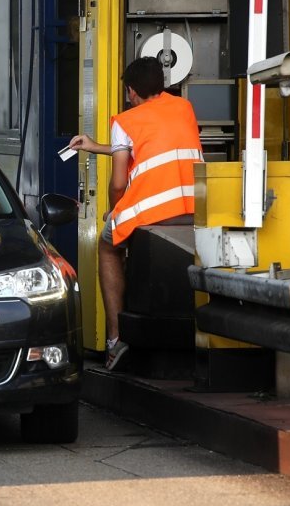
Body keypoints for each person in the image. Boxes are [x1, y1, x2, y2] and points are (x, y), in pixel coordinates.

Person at [67, 56, 203, 371]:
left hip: (155, 209)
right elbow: (151, 144)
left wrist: (114, 211)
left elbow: (118, 182)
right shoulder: (184, 108)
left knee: (107, 243)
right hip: (194, 208)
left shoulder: (126, 120)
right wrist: (95, 146)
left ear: (131, 91)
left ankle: (115, 338)